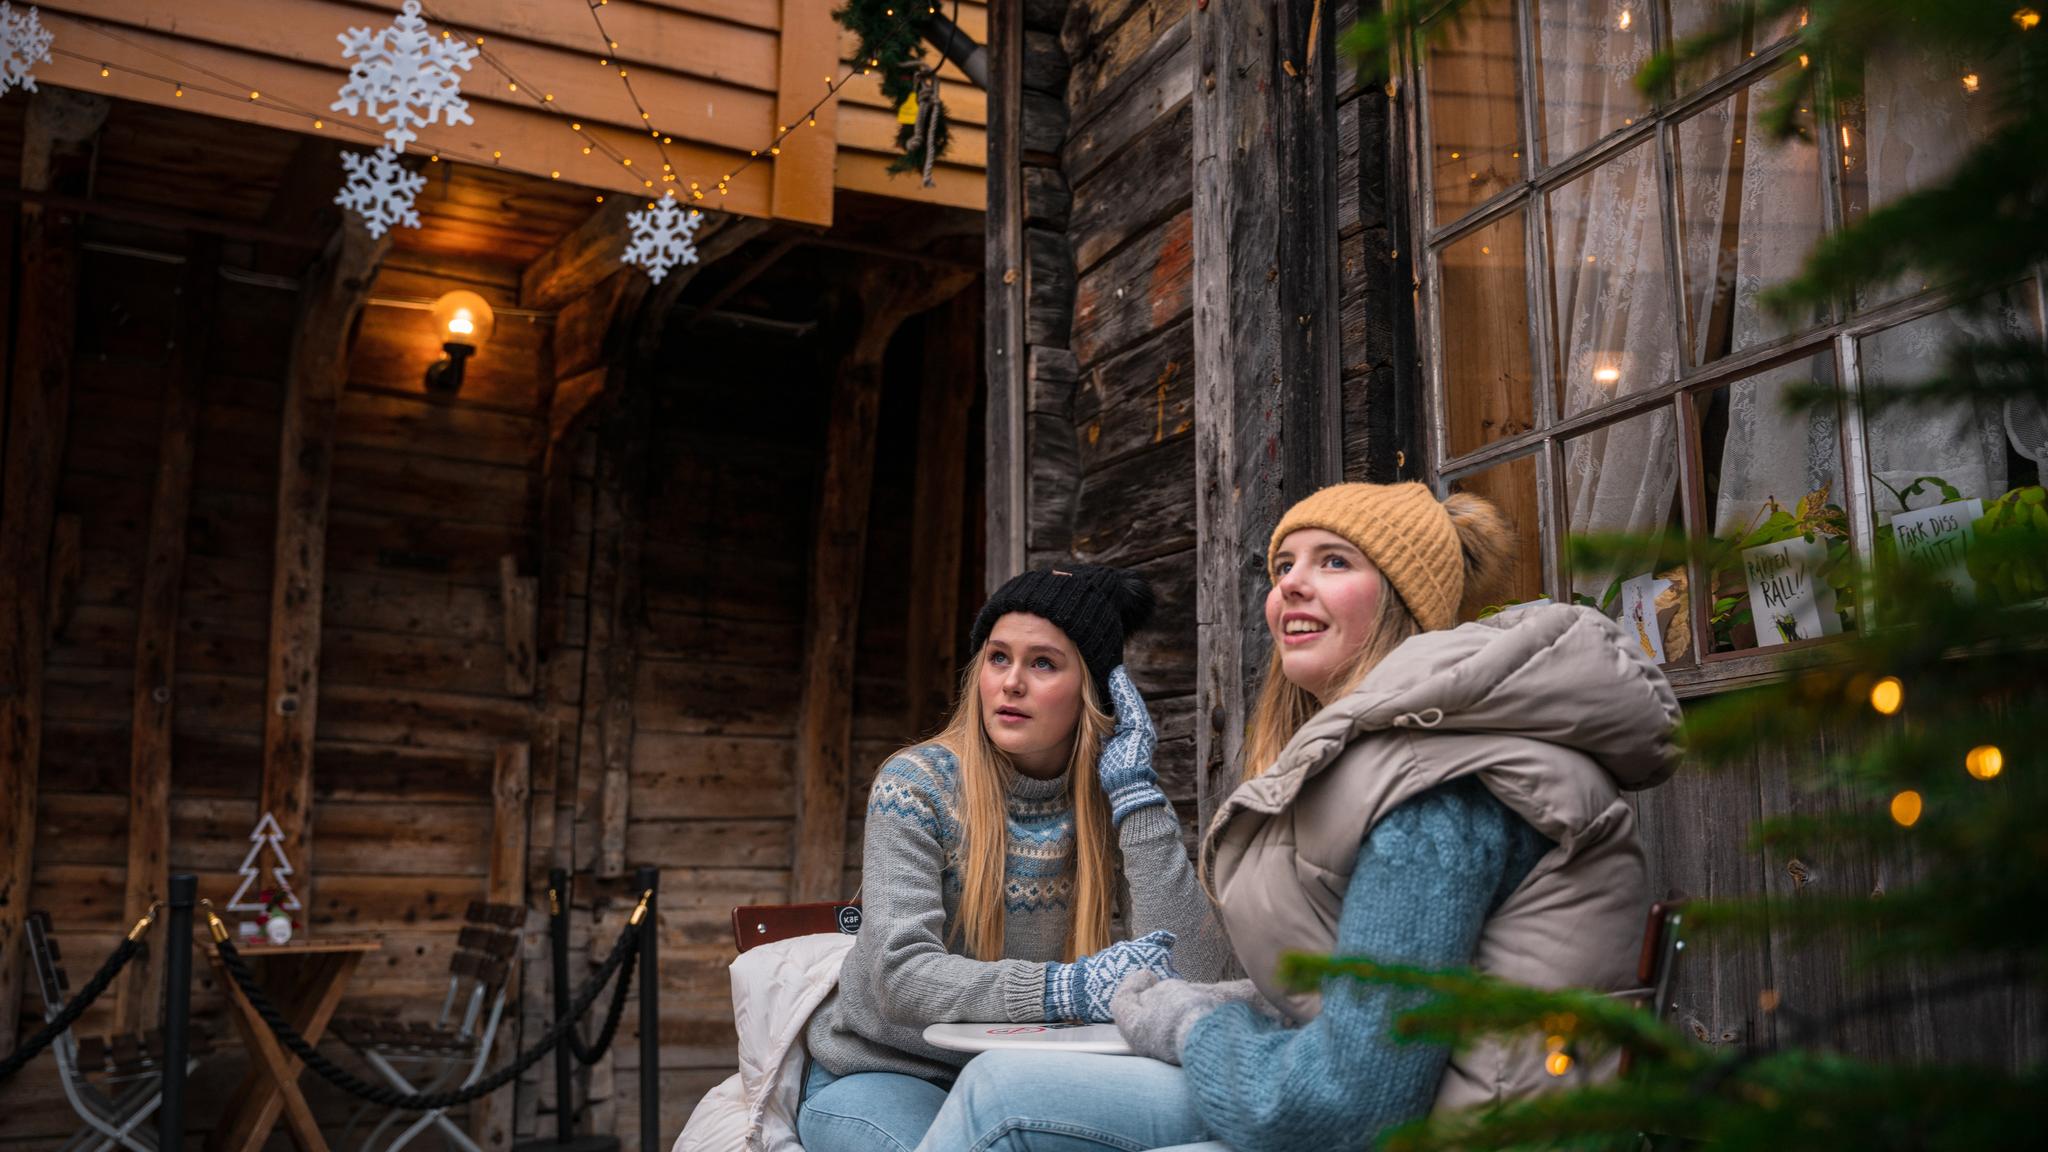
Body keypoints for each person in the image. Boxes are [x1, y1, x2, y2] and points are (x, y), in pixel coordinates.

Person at [914, 482, 1683, 1152]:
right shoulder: (1388, 759)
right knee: (1001, 1089)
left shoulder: (1439, 786)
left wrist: (1185, 1018)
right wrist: (1212, 1002)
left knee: (1002, 1100)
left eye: (1334, 562)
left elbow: (1347, 1105)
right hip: (1413, 1107)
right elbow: (1361, 999)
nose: (1292, 587)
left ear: (1404, 599)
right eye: (1284, 567)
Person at [796, 564, 1229, 1152]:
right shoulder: (917, 785)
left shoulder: (1111, 798)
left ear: (1093, 691)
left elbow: (1201, 975)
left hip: (1028, 1075)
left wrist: (1137, 797)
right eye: (998, 658)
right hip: (886, 1070)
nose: (1012, 683)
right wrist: (1067, 990)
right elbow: (898, 975)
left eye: (1043, 663)